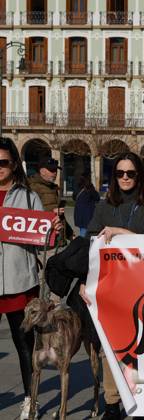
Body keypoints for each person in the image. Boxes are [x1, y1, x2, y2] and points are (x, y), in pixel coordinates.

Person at [79, 152, 144, 420]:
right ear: (113, 176)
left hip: (142, 284)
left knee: (142, 344)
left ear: (139, 175)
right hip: (109, 286)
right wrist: (85, 283)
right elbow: (90, 247)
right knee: (110, 347)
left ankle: (143, 397)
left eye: (130, 173)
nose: (125, 178)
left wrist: (121, 233)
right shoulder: (104, 206)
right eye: (120, 173)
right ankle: (112, 402)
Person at [0, 139, 62, 419]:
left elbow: (44, 241)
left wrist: (53, 230)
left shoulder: (27, 197)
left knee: (23, 344)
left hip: (19, 282)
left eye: (3, 162)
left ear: (13, 164)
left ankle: (30, 399)